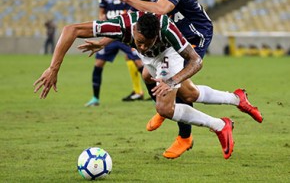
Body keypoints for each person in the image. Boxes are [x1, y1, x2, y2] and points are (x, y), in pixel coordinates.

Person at [101, 0, 263, 159]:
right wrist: (104, 41)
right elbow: (131, 21)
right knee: (150, 75)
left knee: (180, 87)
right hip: (173, 34)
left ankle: (184, 135)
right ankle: (235, 99)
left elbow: (161, 9)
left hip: (196, 33)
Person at [34, 12, 235, 159]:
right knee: (178, 88)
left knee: (165, 107)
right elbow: (72, 29)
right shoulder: (121, 26)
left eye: (148, 42)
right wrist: (53, 68)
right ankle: (235, 98)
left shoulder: (167, 30)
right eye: (139, 42)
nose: (143, 46)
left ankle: (219, 125)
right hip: (152, 60)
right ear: (135, 30)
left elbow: (196, 61)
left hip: (168, 54)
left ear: (157, 34)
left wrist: (172, 81)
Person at [85, 0, 144, 107]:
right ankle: (95, 98)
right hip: (110, 33)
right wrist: (102, 17)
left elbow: (135, 8)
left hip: (126, 34)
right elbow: (102, 11)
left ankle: (154, 93)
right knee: (98, 63)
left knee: (140, 63)